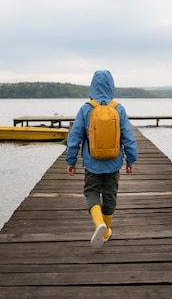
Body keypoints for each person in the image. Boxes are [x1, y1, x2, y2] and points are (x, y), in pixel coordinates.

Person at [66, 70, 138, 248]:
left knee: (91, 192)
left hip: (92, 164)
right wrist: (131, 159)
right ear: (111, 86)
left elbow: (75, 137)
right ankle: (106, 232)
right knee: (110, 195)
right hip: (114, 163)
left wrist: (71, 160)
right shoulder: (118, 108)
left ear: (92, 86)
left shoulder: (86, 108)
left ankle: (98, 223)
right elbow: (128, 136)